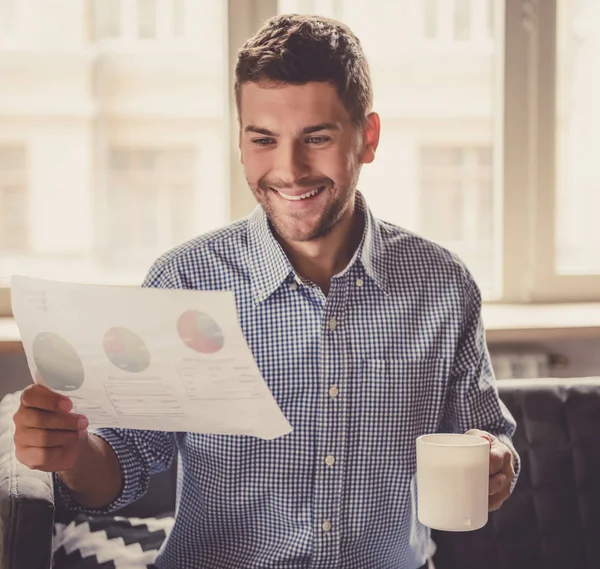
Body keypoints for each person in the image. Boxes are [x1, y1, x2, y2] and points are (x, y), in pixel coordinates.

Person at [12, 14, 518, 569]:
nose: (289, 169)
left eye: (317, 138)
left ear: (367, 138)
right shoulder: (185, 281)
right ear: (240, 141)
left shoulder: (442, 286)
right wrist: (71, 452)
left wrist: (497, 460)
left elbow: (483, 432)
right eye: (264, 140)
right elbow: (124, 463)